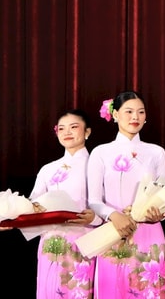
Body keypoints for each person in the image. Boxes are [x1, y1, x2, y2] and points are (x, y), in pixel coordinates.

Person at [88, 91, 165, 298]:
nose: (135, 117)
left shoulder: (156, 152)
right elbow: (94, 201)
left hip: (148, 231)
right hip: (113, 230)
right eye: (129, 112)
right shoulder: (100, 152)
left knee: (150, 291)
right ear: (115, 115)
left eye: (140, 112)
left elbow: (164, 196)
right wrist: (114, 215)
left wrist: (160, 213)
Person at [28, 109, 97, 298]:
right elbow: (33, 203)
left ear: (87, 132)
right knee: (50, 290)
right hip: (51, 241)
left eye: (74, 127)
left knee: (79, 291)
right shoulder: (47, 169)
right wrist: (9, 215)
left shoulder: (97, 165)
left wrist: (95, 217)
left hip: (84, 238)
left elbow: (111, 203)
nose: (67, 132)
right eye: (62, 128)